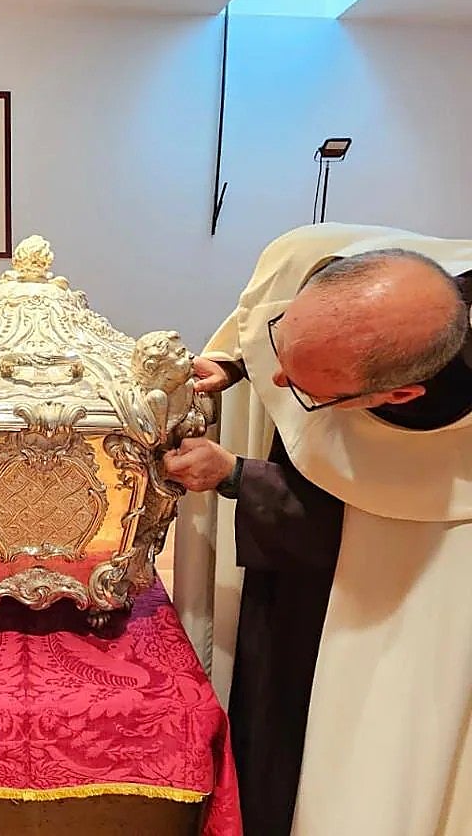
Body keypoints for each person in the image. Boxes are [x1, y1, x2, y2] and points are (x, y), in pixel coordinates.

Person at [165, 225, 472, 836]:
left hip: (343, 614)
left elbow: (357, 538)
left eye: (301, 386)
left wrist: (233, 474)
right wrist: (236, 363)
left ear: (399, 394)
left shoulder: (448, 452)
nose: (277, 383)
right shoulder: (308, 257)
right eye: (282, 351)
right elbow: (267, 328)